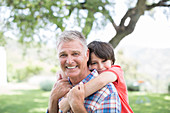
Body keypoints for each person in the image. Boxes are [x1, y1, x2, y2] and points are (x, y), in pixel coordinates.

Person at [47, 31, 121, 113]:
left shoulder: (107, 92)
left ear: (87, 54)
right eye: (63, 55)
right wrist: (53, 100)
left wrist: (77, 105)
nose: (69, 61)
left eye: (75, 54)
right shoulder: (60, 87)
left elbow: (104, 79)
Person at [59, 41, 133, 113]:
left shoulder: (116, 70)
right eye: (94, 63)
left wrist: (69, 100)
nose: (100, 67)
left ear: (112, 61)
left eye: (104, 61)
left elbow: (101, 80)